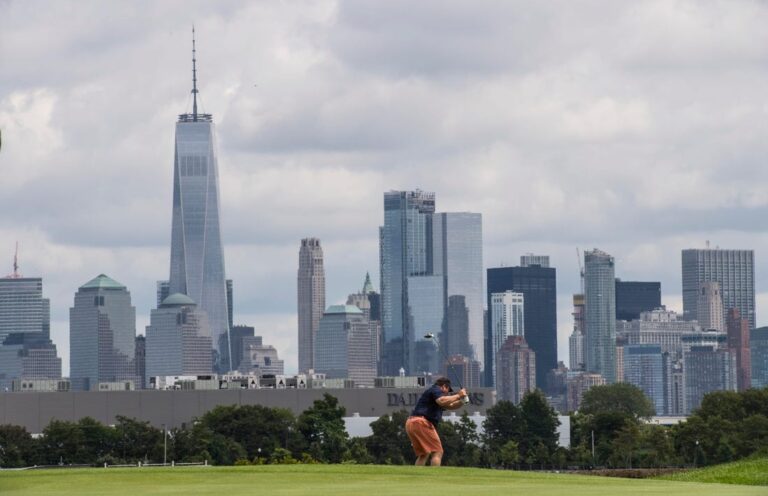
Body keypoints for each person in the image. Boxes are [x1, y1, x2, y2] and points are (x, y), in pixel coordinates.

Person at [405, 377, 468, 466]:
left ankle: (417, 477)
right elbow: (442, 401)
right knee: (437, 452)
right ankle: (435, 477)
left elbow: (450, 405)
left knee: (424, 454)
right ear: (444, 386)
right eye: (448, 390)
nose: (447, 393)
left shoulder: (433, 394)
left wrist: (462, 401)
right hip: (422, 422)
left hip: (411, 423)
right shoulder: (436, 390)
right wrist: (459, 395)